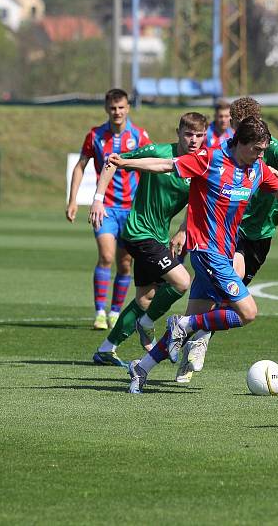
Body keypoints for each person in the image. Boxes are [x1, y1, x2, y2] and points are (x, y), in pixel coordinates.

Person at [107, 116, 278, 394]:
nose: (261, 155)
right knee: (247, 313)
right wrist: (125, 163)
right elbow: (166, 165)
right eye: (257, 149)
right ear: (241, 143)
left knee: (190, 325)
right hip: (206, 251)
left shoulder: (257, 168)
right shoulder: (209, 159)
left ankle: (142, 368)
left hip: (223, 251)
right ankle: (184, 323)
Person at [174, 95, 278, 383]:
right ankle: (192, 342)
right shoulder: (228, 147)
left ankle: (192, 334)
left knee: (218, 296)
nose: (234, 132)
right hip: (228, 231)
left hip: (258, 232)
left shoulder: (267, 147)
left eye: (238, 126)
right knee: (224, 286)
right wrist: (187, 227)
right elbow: (204, 192)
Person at [88, 112, 207, 366]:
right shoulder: (158, 152)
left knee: (145, 297)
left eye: (199, 135)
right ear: (178, 133)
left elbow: (199, 202)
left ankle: (106, 349)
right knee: (182, 281)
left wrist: (183, 230)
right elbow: (113, 161)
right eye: (188, 134)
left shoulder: (201, 166)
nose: (194, 140)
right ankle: (147, 323)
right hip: (139, 232)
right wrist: (98, 200)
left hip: (158, 236)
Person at [66, 89, 152, 330]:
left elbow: (152, 165)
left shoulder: (139, 135)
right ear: (106, 108)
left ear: (128, 108)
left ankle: (115, 311)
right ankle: (100, 312)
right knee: (105, 256)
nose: (117, 112)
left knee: (125, 264)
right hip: (105, 208)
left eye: (121, 107)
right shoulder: (95, 135)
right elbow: (80, 167)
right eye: (113, 108)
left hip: (131, 210)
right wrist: (73, 200)